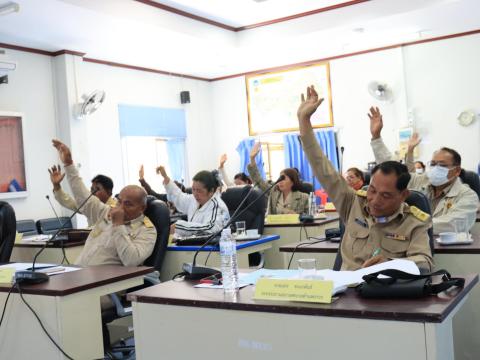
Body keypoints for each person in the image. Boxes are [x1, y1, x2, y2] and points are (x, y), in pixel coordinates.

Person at [297, 86, 433, 271]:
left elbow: (424, 261)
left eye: (385, 196)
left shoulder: (415, 222)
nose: (374, 201)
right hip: (345, 293)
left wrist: (392, 265)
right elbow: (323, 169)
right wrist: (304, 120)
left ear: (403, 195)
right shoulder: (353, 204)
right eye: (372, 190)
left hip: (384, 295)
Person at [368, 107, 479, 234]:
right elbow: (389, 171)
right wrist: (376, 137)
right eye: (432, 164)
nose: (435, 168)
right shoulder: (420, 180)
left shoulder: (468, 196)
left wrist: (408, 226)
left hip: (445, 250)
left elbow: (452, 224)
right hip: (407, 243)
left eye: (442, 165)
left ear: (457, 171)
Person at [52, 140, 156, 267]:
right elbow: (83, 196)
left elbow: (131, 262)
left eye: (128, 204)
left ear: (142, 208)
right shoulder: (106, 212)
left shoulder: (147, 230)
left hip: (105, 283)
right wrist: (68, 164)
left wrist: (118, 225)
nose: (121, 207)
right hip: (78, 272)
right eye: (119, 201)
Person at [157, 165, 229, 237]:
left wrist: (179, 226)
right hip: (194, 244)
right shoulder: (194, 200)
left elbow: (211, 228)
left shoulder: (218, 206)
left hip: (212, 247)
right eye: (193, 189)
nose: (195, 194)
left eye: (199, 191)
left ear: (211, 191)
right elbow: (179, 197)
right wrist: (166, 178)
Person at [248, 143, 309, 215]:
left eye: (283, 178)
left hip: (294, 226)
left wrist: (297, 216)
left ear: (292, 181)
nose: (280, 182)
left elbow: (310, 217)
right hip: (275, 226)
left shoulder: (303, 197)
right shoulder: (273, 192)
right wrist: (252, 159)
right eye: (279, 178)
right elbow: (258, 181)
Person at [48, 165, 117, 226]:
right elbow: (69, 202)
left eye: (97, 189)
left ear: (109, 192)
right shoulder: (90, 205)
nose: (92, 193)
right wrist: (56, 185)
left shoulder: (114, 209)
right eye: (92, 189)